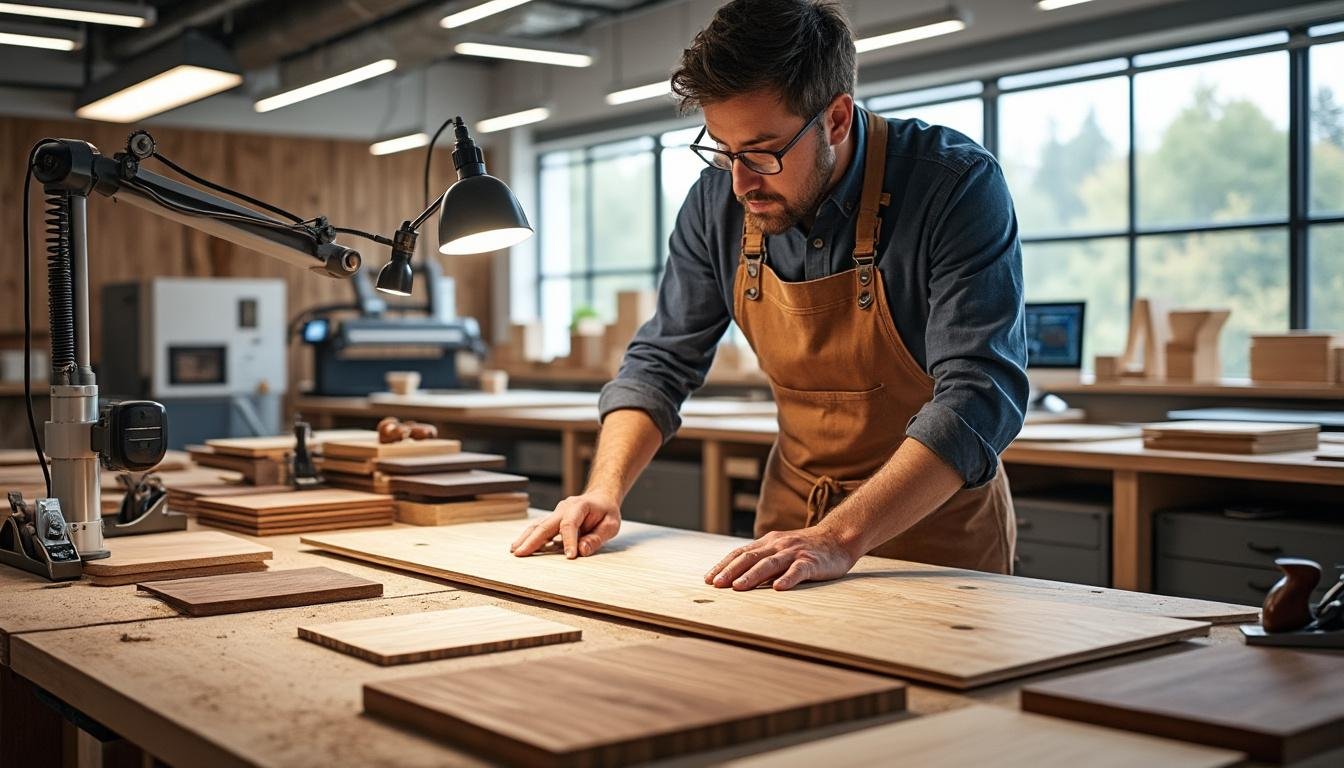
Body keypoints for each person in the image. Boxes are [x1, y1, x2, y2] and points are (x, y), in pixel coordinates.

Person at [511, 0, 1027, 591]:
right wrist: (604, 487)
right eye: (723, 150)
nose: (740, 182)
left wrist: (839, 538)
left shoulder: (953, 186)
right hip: (789, 532)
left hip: (933, 536)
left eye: (761, 151)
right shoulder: (716, 203)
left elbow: (980, 395)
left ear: (836, 119)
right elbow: (660, 363)